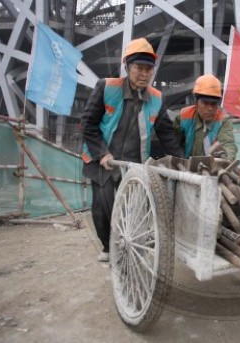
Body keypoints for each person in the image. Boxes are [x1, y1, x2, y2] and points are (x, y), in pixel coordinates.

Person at [81, 38, 184, 262]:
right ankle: (108, 246)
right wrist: (102, 153)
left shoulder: (156, 98)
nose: (144, 74)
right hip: (103, 157)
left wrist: (182, 161)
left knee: (133, 205)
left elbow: (166, 133)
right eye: (139, 68)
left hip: (133, 161)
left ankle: (129, 241)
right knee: (102, 204)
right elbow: (88, 124)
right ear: (127, 66)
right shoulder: (107, 87)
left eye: (149, 69)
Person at [173, 74, 237, 161]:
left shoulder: (223, 120)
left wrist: (226, 160)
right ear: (196, 102)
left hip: (212, 168)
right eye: (205, 103)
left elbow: (227, 143)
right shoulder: (183, 117)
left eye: (214, 104)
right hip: (185, 167)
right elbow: (173, 145)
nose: (210, 108)